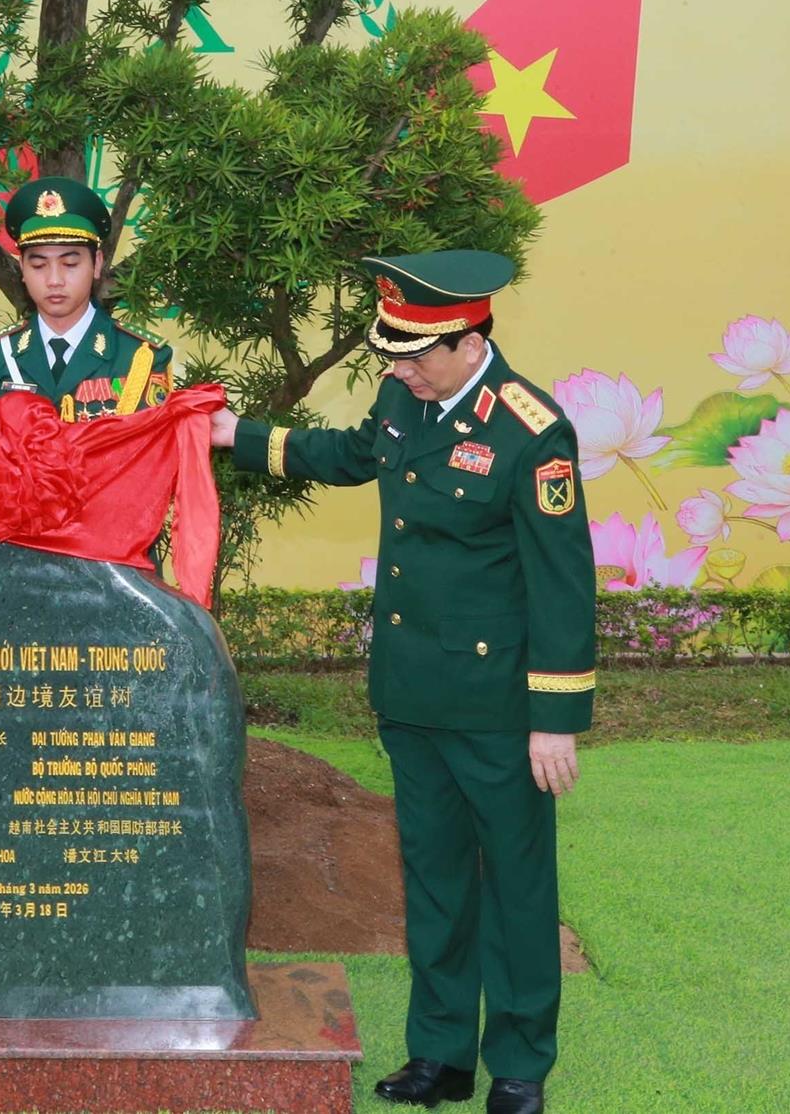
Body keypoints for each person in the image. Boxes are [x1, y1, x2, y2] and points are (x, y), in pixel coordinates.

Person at [208, 250, 595, 1114]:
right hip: (412, 691)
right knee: (435, 880)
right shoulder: (403, 396)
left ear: (468, 340)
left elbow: (561, 581)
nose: (400, 369)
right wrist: (243, 435)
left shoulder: (532, 432)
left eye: (417, 355)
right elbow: (350, 455)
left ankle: (522, 1067)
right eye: (393, 354)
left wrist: (555, 717)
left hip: (498, 707)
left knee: (517, 886)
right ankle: (441, 1056)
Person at [0, 176, 172, 420]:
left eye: (70, 263)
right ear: (22, 268)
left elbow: (155, 452)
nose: (55, 280)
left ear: (96, 264)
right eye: (39, 265)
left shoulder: (141, 357)